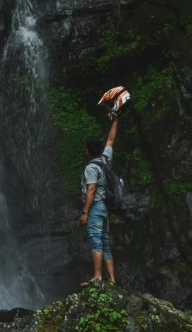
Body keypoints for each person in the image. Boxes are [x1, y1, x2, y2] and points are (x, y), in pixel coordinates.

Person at [78, 115, 119, 286]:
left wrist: (85, 212)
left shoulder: (91, 168)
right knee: (105, 241)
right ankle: (112, 279)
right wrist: (116, 120)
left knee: (96, 240)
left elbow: (91, 190)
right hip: (105, 209)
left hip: (95, 207)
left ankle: (97, 276)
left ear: (87, 150)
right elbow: (111, 139)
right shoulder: (105, 159)